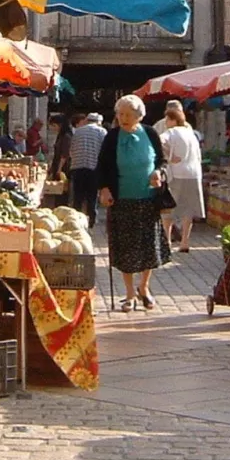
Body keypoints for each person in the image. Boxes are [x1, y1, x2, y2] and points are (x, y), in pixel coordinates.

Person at [97, 94, 169, 311]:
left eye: (128, 114)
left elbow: (161, 160)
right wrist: (104, 188)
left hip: (148, 198)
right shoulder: (112, 137)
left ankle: (144, 287)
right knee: (126, 249)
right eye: (120, 114)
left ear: (139, 115)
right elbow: (102, 165)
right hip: (122, 200)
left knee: (149, 247)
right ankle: (129, 293)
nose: (123, 118)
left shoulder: (150, 133)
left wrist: (159, 172)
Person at [159, 101, 205, 253]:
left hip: (177, 173)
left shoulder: (171, 132)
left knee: (169, 208)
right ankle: (185, 241)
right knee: (188, 210)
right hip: (194, 174)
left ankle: (167, 242)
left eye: (167, 120)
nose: (166, 123)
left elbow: (159, 141)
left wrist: (168, 157)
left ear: (173, 120)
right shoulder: (192, 133)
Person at [68, 111, 106, 227]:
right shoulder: (102, 131)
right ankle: (91, 221)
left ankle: (75, 220)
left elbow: (71, 150)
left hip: (77, 167)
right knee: (92, 196)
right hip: (93, 168)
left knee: (77, 196)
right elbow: (105, 151)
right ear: (99, 122)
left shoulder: (77, 131)